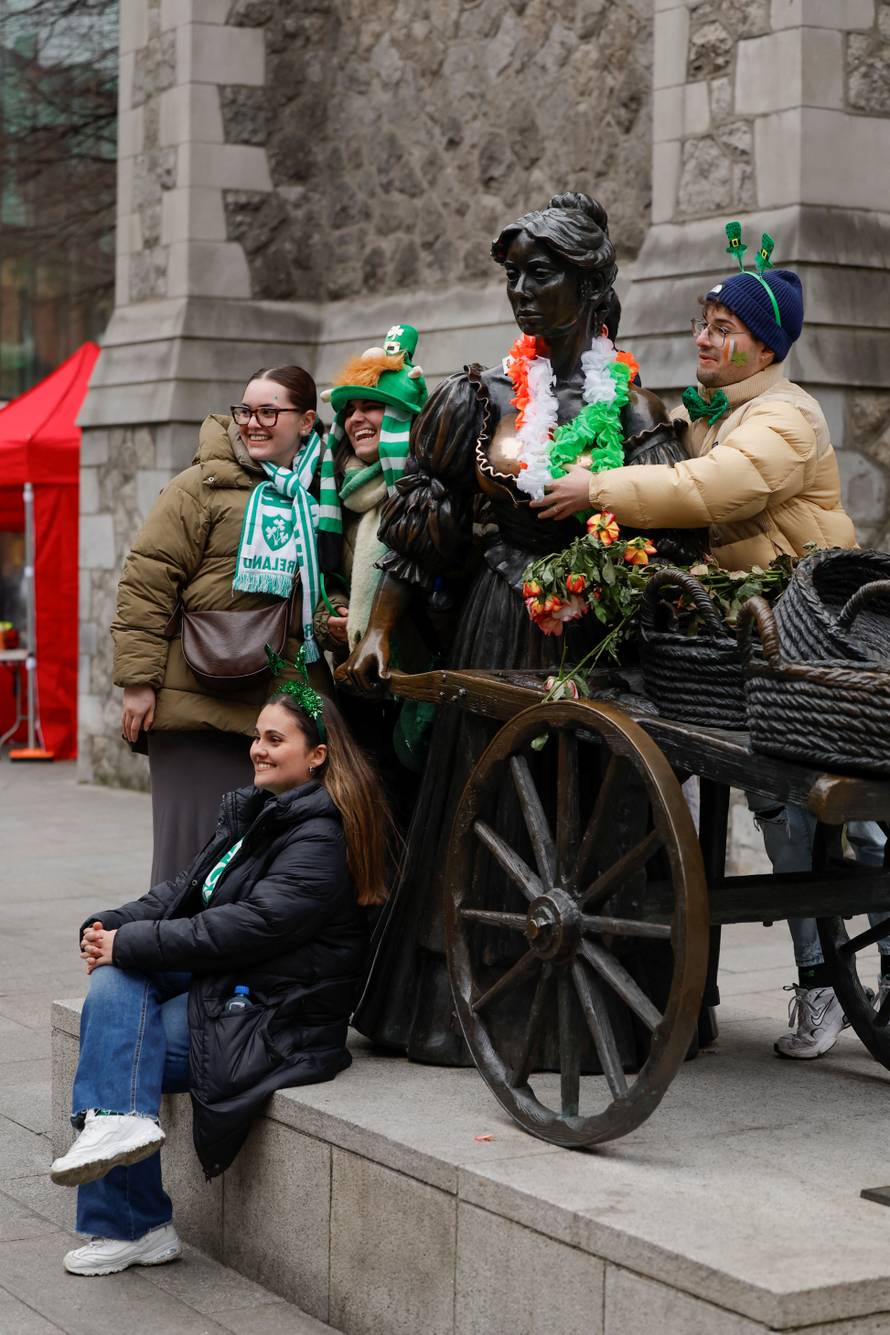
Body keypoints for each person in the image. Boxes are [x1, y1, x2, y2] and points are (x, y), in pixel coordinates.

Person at [340, 191, 701, 1065]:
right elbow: (421, 524)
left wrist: (623, 584)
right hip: (498, 619)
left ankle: (597, 1005)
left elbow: (672, 537)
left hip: (593, 636)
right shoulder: (480, 396)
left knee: (590, 812)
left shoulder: (636, 409)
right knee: (485, 799)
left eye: (542, 273)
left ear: (590, 282)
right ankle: (462, 1002)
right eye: (514, 274)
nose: (523, 289)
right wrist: (383, 625)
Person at [534, 219, 889, 1059]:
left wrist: (596, 487)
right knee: (780, 814)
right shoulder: (729, 411)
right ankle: (818, 983)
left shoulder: (785, 417)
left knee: (858, 824)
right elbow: (692, 462)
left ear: (763, 348)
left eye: (723, 329)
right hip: (760, 648)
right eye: (703, 323)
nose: (704, 337)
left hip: (815, 645)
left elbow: (714, 490)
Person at [51, 686, 389, 1276]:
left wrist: (126, 943)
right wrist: (110, 924)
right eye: (257, 737)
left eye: (275, 739)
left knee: (120, 1030)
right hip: (233, 983)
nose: (257, 749)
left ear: (318, 756)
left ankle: (133, 1219)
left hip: (276, 1014)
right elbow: (184, 890)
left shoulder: (321, 836)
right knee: (114, 986)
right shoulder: (258, 812)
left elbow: (249, 927)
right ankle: (121, 1135)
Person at [113, 365, 340, 885]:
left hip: (279, 709)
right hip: (195, 702)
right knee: (188, 861)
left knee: (266, 868)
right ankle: (165, 962)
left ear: (306, 421)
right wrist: (138, 682)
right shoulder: (199, 487)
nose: (252, 424)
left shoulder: (325, 492)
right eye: (245, 411)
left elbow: (329, 582)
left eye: (268, 412)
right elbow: (147, 583)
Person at [313, 326, 433, 816]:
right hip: (357, 687)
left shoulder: (427, 495)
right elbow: (328, 584)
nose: (357, 418)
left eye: (372, 406)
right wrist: (334, 616)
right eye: (350, 411)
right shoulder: (346, 500)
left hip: (418, 680)